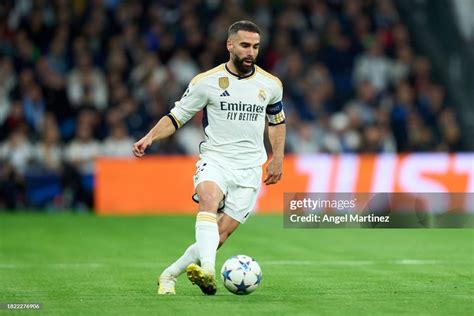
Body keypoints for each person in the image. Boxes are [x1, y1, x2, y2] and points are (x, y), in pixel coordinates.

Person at [132, 21, 286, 295]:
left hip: (249, 168)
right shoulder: (206, 82)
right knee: (208, 199)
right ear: (230, 45)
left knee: (219, 235)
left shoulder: (271, 85)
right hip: (216, 159)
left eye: (255, 47)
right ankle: (209, 271)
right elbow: (177, 116)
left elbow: (276, 122)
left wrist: (278, 158)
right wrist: (150, 137)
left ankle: (169, 275)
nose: (251, 52)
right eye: (245, 45)